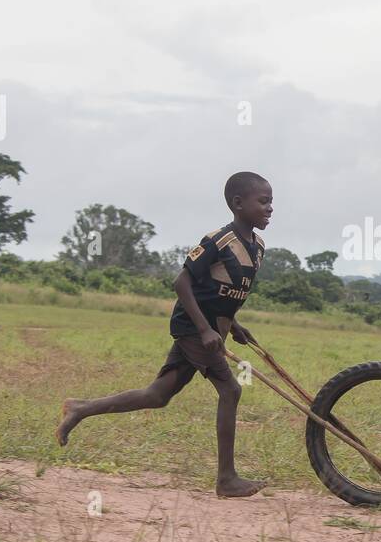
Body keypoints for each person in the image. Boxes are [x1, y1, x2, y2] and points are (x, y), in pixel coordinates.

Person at [56, 172, 272, 498]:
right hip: (194, 328)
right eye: (264, 201)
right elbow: (182, 283)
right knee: (230, 390)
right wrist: (203, 329)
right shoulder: (218, 241)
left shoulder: (257, 247)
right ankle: (226, 479)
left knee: (158, 396)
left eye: (271, 202)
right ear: (238, 204)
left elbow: (223, 292)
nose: (270, 208)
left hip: (212, 331)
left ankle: (80, 409)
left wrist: (234, 325)